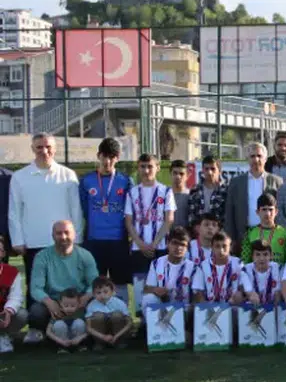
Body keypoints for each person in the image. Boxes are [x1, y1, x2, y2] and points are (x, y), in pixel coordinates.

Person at [9, 132, 82, 314]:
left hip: (63, 244)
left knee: (65, 285)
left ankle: (68, 325)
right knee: (35, 285)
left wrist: (77, 238)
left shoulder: (68, 175)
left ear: (55, 149)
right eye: (39, 147)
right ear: (33, 149)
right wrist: (17, 240)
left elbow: (76, 211)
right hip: (34, 242)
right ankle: (37, 328)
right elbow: (14, 212)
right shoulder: (19, 177)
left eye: (48, 146)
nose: (44, 151)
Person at [80, 137, 132, 301]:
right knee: (96, 282)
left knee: (120, 281)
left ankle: (122, 316)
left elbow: (130, 211)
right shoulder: (87, 180)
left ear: (117, 158)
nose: (108, 161)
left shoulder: (125, 181)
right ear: (98, 156)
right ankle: (96, 318)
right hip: (94, 240)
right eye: (105, 156)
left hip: (118, 240)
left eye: (112, 157)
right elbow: (83, 208)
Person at [27, 220, 97, 342]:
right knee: (36, 311)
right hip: (54, 299)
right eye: (59, 233)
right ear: (53, 235)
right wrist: (49, 302)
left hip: (79, 299)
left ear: (74, 234)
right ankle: (46, 334)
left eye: (67, 233)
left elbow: (95, 283)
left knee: (98, 306)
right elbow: (35, 288)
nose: (63, 237)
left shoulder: (85, 255)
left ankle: (90, 336)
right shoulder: (42, 257)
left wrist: (86, 297)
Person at [125, 153, 177, 312]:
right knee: (140, 285)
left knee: (161, 285)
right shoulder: (132, 192)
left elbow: (169, 219)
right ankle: (142, 322)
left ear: (158, 168)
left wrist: (153, 244)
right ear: (138, 168)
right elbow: (128, 221)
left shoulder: (166, 191)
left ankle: (162, 321)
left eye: (150, 166)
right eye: (142, 166)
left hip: (159, 247)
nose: (146, 170)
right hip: (138, 248)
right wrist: (140, 244)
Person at [225, 142, 282, 250]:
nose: (256, 160)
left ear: (265, 159)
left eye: (259, 156)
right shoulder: (236, 182)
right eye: (252, 156)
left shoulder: (277, 181)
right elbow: (229, 212)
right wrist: (230, 238)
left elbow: (281, 211)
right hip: (243, 236)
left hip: (269, 235)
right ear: (247, 159)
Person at [140, 228, 198, 328]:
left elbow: (198, 295)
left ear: (187, 248)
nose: (178, 247)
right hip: (163, 305)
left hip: (184, 308)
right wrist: (155, 290)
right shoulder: (156, 263)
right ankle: (154, 331)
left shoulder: (194, 268)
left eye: (183, 245)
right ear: (167, 243)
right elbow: (147, 289)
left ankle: (184, 329)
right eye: (175, 243)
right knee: (148, 298)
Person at [240, 193, 286, 265]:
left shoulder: (285, 233)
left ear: (276, 212)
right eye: (264, 209)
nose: (267, 213)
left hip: (279, 274)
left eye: (270, 210)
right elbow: (245, 261)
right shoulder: (250, 233)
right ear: (257, 212)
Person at [192, 231, 243, 303]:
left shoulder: (238, 263)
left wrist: (239, 294)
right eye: (217, 246)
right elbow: (198, 291)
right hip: (210, 309)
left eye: (224, 246)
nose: (221, 250)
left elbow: (244, 287)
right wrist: (206, 308)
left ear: (230, 247)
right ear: (212, 247)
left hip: (233, 308)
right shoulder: (203, 266)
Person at [85, 276, 132, 351]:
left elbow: (129, 323)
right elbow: (88, 328)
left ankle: (119, 342)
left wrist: (116, 336)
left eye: (105, 292)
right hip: (100, 335)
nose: (102, 295)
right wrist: (103, 337)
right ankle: (99, 343)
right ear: (93, 294)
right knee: (98, 316)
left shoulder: (119, 303)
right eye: (98, 293)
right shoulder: (91, 305)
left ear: (112, 291)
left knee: (117, 315)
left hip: (118, 333)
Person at [0, 233, 28, 352]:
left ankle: (4, 336)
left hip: (2, 311)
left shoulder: (11, 272)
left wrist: (8, 311)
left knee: (22, 315)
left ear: (3, 254)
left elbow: (16, 296)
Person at [46, 288, 89, 353]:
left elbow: (90, 329)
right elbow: (48, 332)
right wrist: (61, 341)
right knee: (58, 324)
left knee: (80, 323)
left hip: (77, 338)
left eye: (72, 306)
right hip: (62, 339)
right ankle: (62, 347)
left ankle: (79, 346)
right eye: (66, 305)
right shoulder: (57, 313)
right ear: (60, 303)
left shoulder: (81, 313)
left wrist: (79, 338)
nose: (69, 308)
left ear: (78, 304)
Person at [240, 240, 282, 306]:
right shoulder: (245, 270)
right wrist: (249, 294)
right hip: (252, 309)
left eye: (265, 254)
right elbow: (245, 292)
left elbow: (280, 294)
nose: (262, 258)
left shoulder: (279, 269)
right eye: (258, 255)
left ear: (271, 256)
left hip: (273, 308)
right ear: (252, 256)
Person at [194, 156, 229, 227]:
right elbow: (191, 215)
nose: (209, 172)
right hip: (199, 234)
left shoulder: (227, 191)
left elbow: (229, 215)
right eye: (206, 169)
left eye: (213, 169)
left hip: (220, 233)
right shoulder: (195, 190)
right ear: (202, 170)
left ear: (220, 171)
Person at [169, 159, 192, 229]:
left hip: (186, 237)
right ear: (170, 174)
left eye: (181, 174)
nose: (178, 176)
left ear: (187, 176)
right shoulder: (164, 195)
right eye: (175, 173)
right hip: (167, 238)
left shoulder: (192, 196)